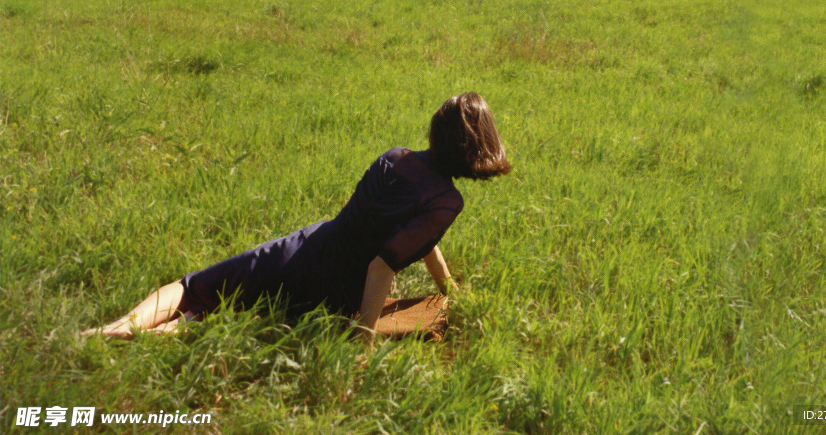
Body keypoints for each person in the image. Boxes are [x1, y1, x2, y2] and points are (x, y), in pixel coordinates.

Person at [81, 93, 510, 343]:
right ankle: (141, 336)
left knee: (194, 288)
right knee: (240, 317)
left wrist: (448, 287)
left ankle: (109, 332)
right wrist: (362, 343)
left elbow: (411, 235)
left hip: (306, 247)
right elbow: (385, 262)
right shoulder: (445, 201)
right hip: (338, 289)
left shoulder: (395, 158)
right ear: (478, 146)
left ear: (438, 133)